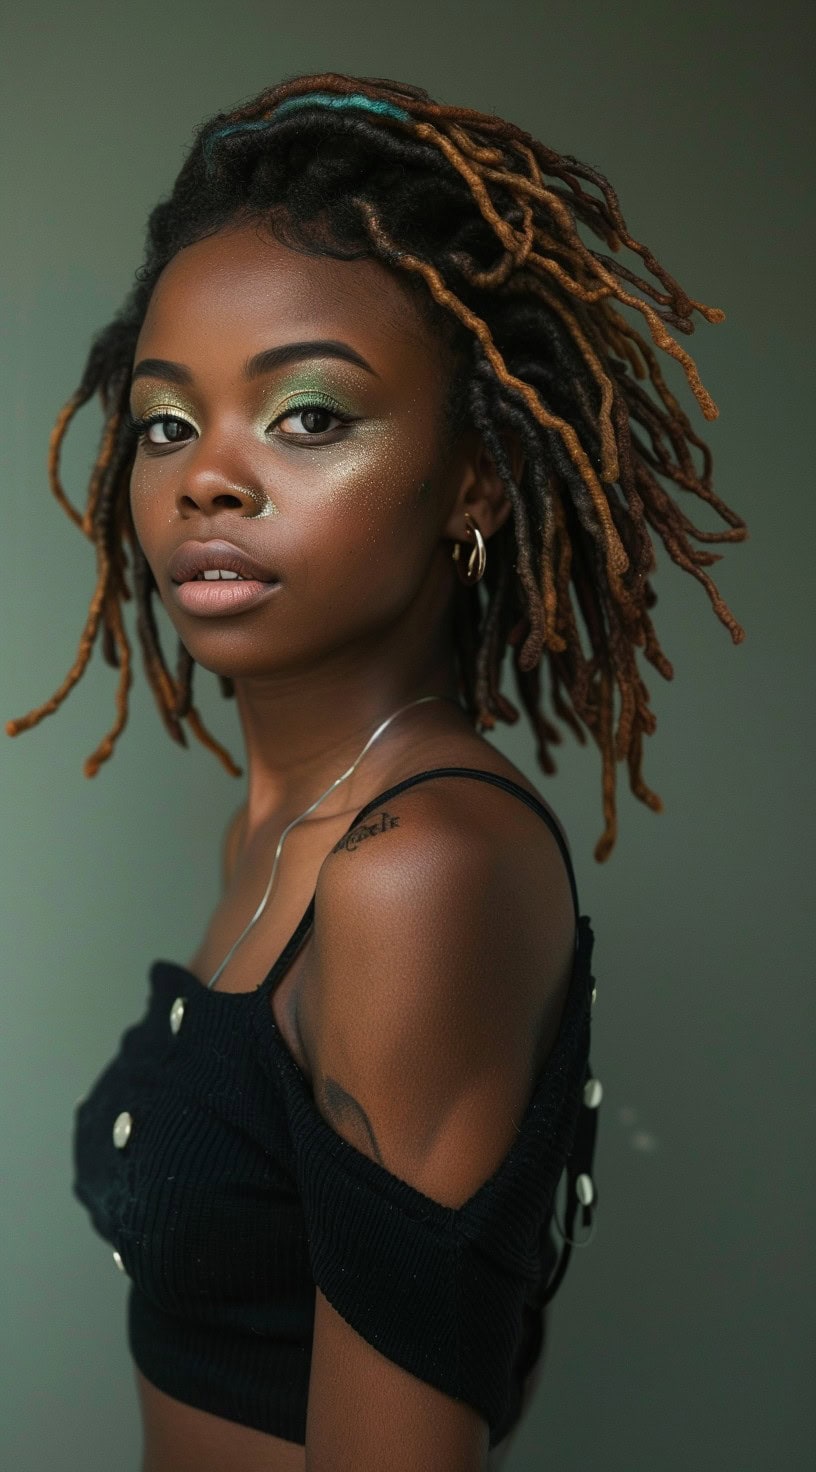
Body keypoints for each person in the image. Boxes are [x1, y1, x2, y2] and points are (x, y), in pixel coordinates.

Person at [6, 72, 747, 1472]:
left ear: (473, 479)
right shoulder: (287, 823)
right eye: (168, 422)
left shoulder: (416, 868)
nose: (208, 477)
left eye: (306, 417)